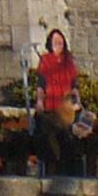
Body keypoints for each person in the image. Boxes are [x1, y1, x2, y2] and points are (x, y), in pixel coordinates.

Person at [32, 25, 83, 173]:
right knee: (50, 136)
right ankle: (54, 165)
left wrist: (77, 102)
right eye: (55, 43)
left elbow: (74, 85)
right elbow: (41, 84)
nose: (57, 46)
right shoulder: (46, 61)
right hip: (51, 106)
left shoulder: (69, 62)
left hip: (66, 107)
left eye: (60, 43)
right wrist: (40, 101)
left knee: (70, 136)